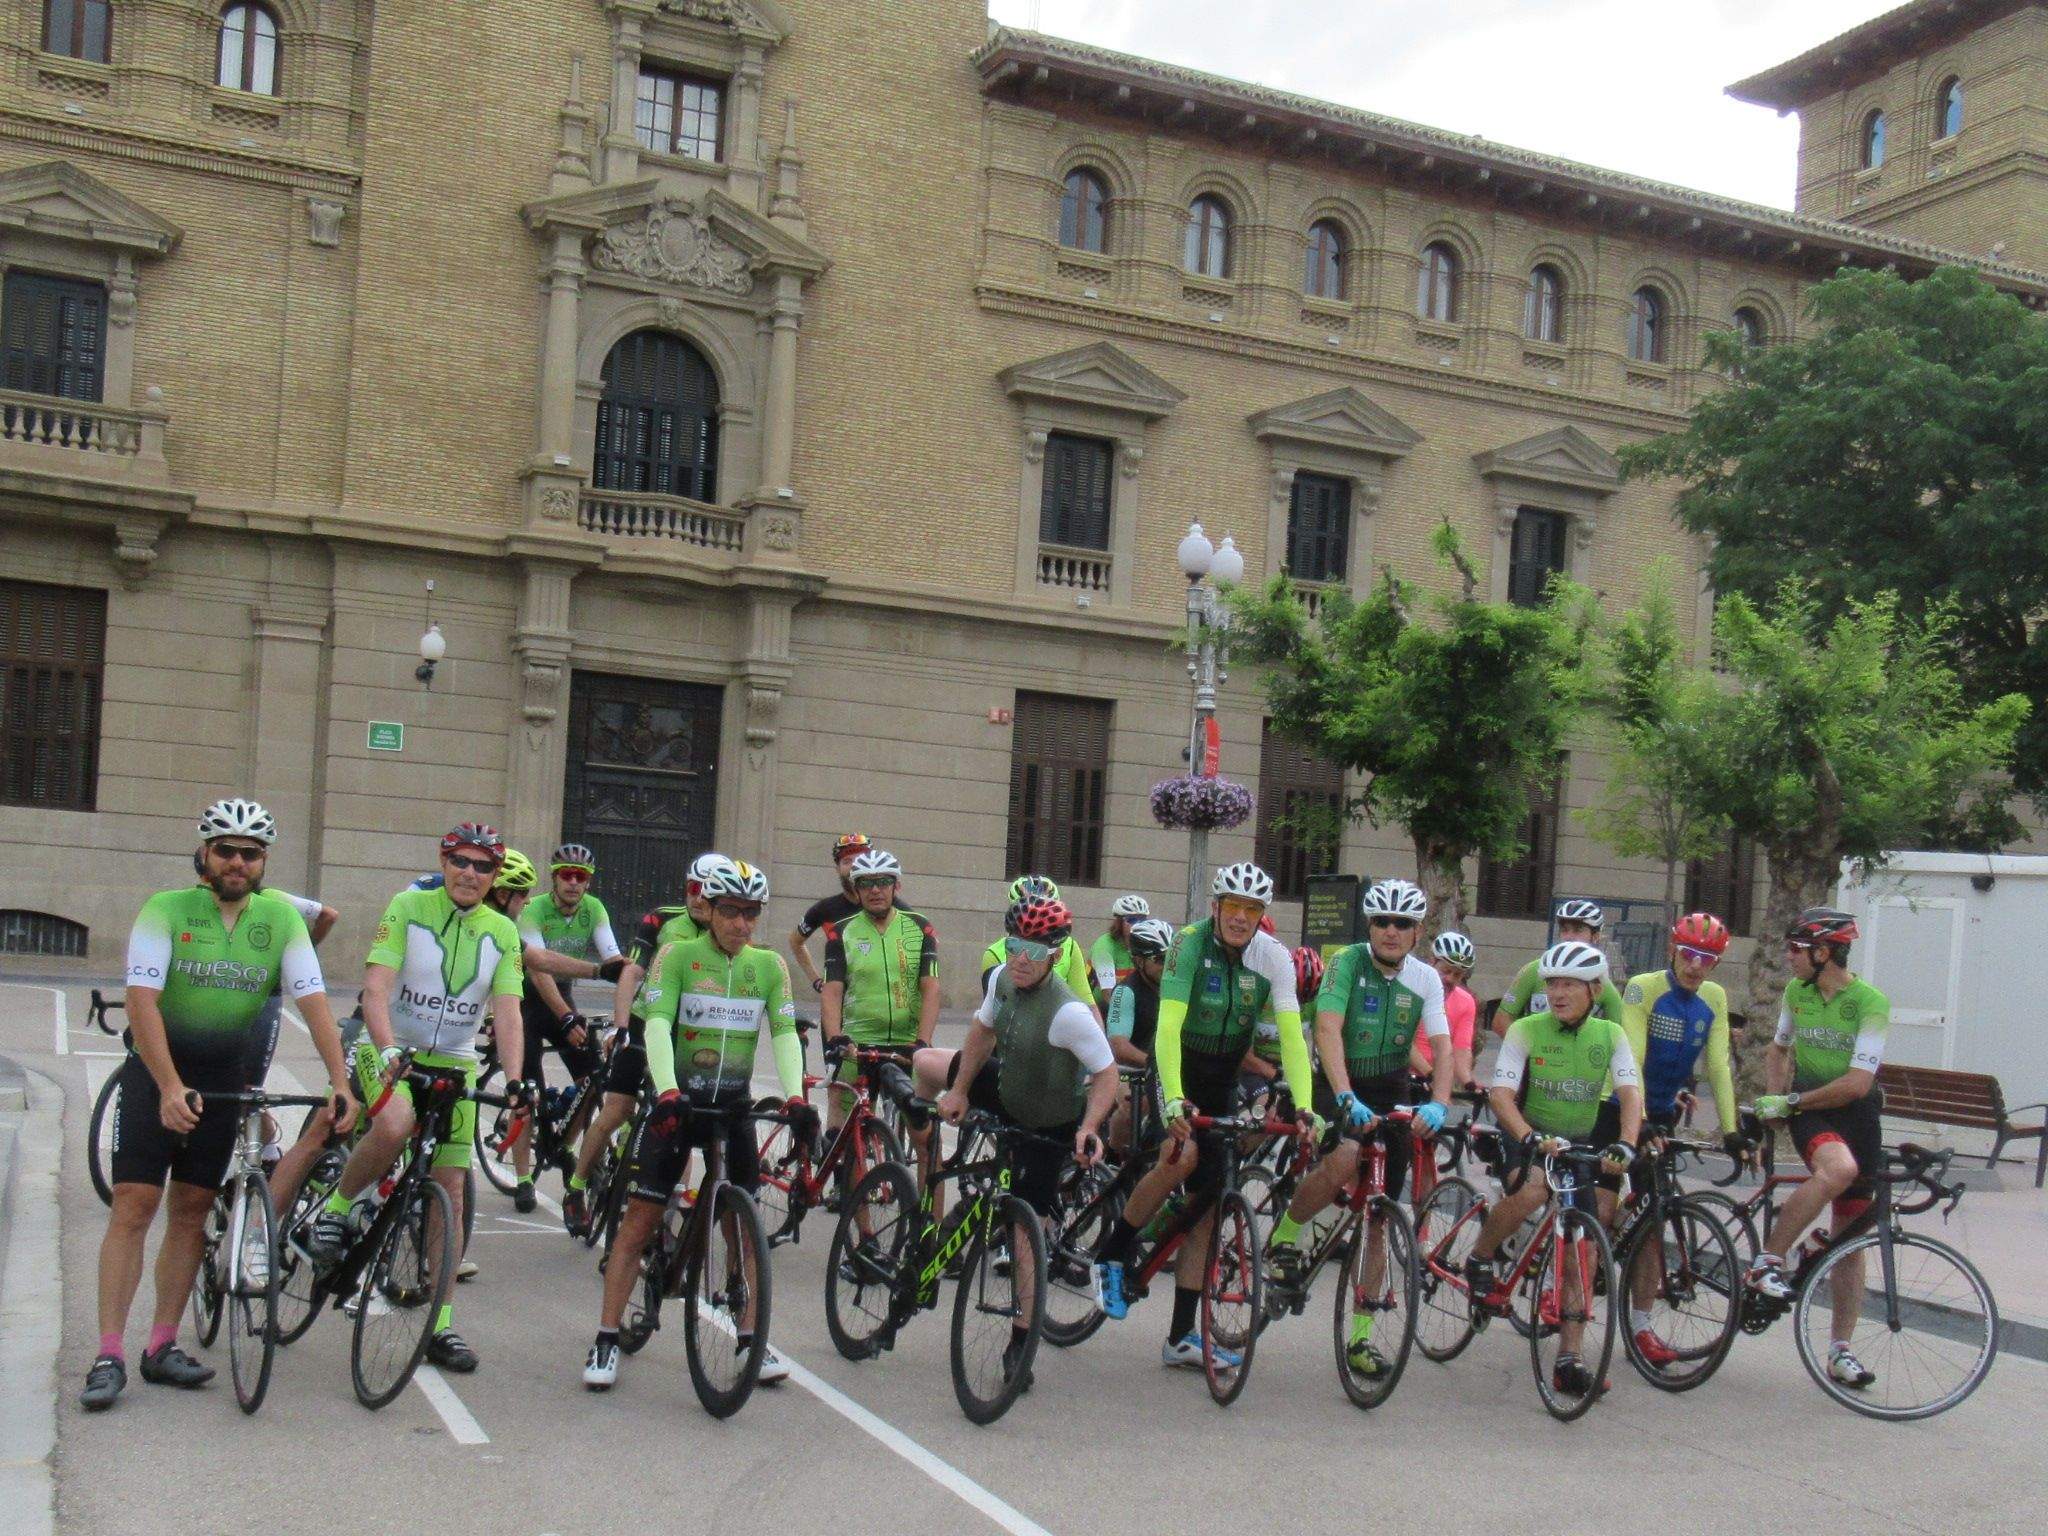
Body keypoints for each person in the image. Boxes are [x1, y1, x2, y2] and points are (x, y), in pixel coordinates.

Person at [82, 799, 356, 1411]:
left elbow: (314, 1003)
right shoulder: (166, 908)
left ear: (263, 862)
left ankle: (161, 1345)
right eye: (226, 850)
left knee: (191, 1211)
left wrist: (339, 1080)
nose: (237, 862)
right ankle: (108, 1354)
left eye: (250, 853)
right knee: (133, 1205)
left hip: (223, 1078)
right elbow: (142, 1001)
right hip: (156, 1074)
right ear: (204, 854)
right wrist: (169, 1085)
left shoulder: (280, 919)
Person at [306, 823, 528, 1375]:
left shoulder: (502, 931)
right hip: (390, 1047)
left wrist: (516, 1081)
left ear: (494, 877)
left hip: (454, 1060)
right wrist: (385, 1049)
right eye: (461, 861)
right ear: (444, 862)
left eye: (483, 866)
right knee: (394, 1122)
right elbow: (376, 987)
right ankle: (337, 1209)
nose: (470, 873)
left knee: (450, 1192)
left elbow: (507, 1013)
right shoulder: (408, 907)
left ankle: (441, 1323)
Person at [583, 860, 802, 1391]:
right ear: (710, 909)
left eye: (751, 913)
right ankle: (606, 1337)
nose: (742, 923)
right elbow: (657, 1025)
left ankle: (749, 1337)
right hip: (677, 1103)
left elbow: (784, 1032)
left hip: (732, 1106)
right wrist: (665, 1090)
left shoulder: (769, 966)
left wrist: (796, 1096)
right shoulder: (678, 956)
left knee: (743, 1227)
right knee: (640, 1220)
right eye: (731, 911)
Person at [1090, 862, 1316, 1369]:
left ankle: (1179, 1338)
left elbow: (1293, 1038)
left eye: (1251, 909)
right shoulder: (1187, 947)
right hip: (1177, 1068)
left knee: (1209, 1206)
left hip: (1223, 1077)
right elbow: (1168, 1029)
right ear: (1215, 907)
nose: (1240, 917)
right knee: (1182, 1153)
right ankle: (1113, 1251)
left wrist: (1304, 1105)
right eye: (1232, 906)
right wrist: (1174, 1098)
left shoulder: (1273, 959)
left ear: (1262, 914)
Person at [1264, 879, 1452, 1378]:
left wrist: (1440, 1103)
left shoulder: (1426, 979)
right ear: (1370, 926)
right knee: (1346, 1154)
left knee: (1380, 1219)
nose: (1391, 931)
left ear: (1416, 933)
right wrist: (1345, 1095)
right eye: (1382, 922)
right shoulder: (1346, 963)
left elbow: (1442, 1045)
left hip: (1391, 1086)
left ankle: (1362, 1339)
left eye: (1402, 924)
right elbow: (1328, 1028)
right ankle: (1287, 1233)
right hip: (1338, 1078)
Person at [1468, 940, 1643, 1398]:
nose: (1558, 993)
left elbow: (1630, 1093)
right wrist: (1528, 1136)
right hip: (1525, 1130)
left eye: (1569, 985)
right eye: (1552, 984)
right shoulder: (1526, 1029)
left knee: (1584, 1249)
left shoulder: (1610, 1035)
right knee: (1532, 1192)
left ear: (1594, 990)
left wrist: (1627, 1142)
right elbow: (1501, 1095)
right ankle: (1480, 1257)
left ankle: (1570, 1358)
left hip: (1577, 1142)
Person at [1747, 908, 1890, 1391]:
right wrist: (1775, 1102)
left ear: (1824, 953)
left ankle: (1840, 1351)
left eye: (1796, 949)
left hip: (1856, 1113)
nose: (1789, 957)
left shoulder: (1870, 1002)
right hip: (1813, 1112)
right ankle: (1767, 1262)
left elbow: (1857, 1084)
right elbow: (1778, 1049)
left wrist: (1788, 1100)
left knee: (1849, 1241)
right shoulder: (1796, 992)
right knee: (1837, 1169)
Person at [562, 851, 727, 1235]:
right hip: (642, 1022)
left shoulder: (725, 934)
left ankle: (670, 1207)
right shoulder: (662, 919)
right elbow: (632, 972)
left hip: (687, 1034)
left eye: (707, 892)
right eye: (693, 888)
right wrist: (620, 1027)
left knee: (680, 1119)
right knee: (617, 1109)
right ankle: (577, 1185)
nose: (698, 897)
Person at [1617, 911, 1743, 1369]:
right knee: (1603, 1203)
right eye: (1689, 954)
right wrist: (1639, 1117)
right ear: (1672, 949)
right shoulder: (1643, 987)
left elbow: (1718, 1066)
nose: (1696, 966)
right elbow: (1631, 1056)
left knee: (1655, 1216)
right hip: (1619, 1104)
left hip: (1662, 1114)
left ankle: (1641, 1326)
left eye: (1707, 959)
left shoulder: (1714, 997)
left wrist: (1732, 1129)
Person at [505, 843, 620, 1211]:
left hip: (563, 999)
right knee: (527, 1094)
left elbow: (613, 960)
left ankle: (563, 1146)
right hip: (527, 1001)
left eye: (580, 877)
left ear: (588, 882)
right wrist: (566, 1016)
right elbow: (539, 968)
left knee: (594, 1078)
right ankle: (523, 1179)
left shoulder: (594, 909)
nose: (573, 882)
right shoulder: (533, 910)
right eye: (566, 875)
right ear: (554, 878)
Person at [819, 850, 939, 1157]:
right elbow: (832, 992)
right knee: (849, 1137)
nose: (875, 889)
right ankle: (845, 1180)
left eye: (883, 882)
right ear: (856, 889)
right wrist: (835, 1038)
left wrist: (923, 1042)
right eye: (866, 883)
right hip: (857, 1045)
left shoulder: (919, 927)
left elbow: (931, 988)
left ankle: (921, 1192)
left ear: (896, 885)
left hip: (907, 1044)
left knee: (926, 1138)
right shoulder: (841, 932)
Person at [1492, 899, 1624, 1036]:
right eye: (1565, 930)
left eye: (1578, 930)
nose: (1569, 937)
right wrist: (1528, 1047)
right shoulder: (1534, 970)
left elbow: (1617, 1036)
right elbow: (1501, 1021)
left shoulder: (1602, 983)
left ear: (1595, 937)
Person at [1102, 917, 1174, 1149]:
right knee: (1133, 1106)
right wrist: (1156, 1065)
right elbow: (1119, 1048)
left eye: (1172, 957)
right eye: (1160, 959)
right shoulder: (1126, 992)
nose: (1168, 965)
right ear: (1139, 961)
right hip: (1128, 1070)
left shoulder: (1177, 989)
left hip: (1163, 1070)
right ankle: (1115, 1155)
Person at [978, 875, 1097, 1009]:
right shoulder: (993, 954)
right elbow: (992, 1009)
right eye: (1026, 915)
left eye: (1043, 918)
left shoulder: (1069, 947)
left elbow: (1085, 998)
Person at [788, 833, 870, 997]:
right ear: (837, 869)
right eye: (847, 861)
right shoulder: (825, 909)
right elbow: (795, 941)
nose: (854, 866)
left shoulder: (887, 906)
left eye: (860, 860)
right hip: (838, 1001)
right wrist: (816, 981)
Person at [1413, 931, 1478, 1092]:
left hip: (1434, 1078)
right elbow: (1403, 1043)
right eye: (1445, 971)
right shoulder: (1412, 989)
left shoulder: (1466, 1002)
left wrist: (1469, 1084)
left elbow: (1461, 1049)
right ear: (1432, 961)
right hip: (1401, 1074)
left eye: (1457, 975)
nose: (1450, 978)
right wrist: (1431, 1074)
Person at [1090, 894, 1151, 1006]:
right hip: (1098, 1005)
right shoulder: (1104, 946)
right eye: (1131, 920)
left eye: (1142, 920)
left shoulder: (1144, 946)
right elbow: (1108, 994)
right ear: (1119, 922)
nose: (1137, 924)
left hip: (1129, 1001)